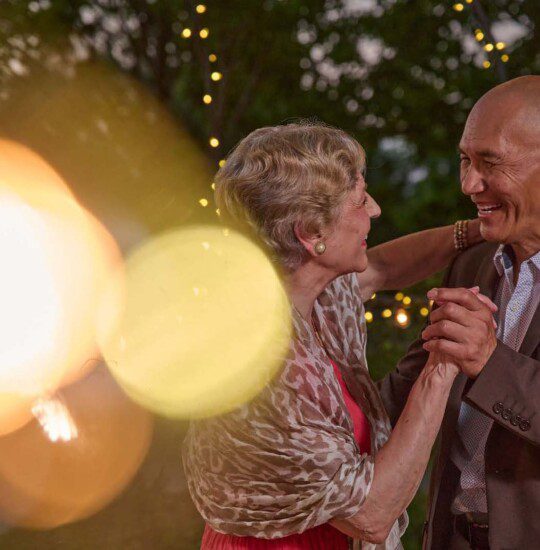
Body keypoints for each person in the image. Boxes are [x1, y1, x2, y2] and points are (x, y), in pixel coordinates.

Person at [182, 122, 486, 549]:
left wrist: (475, 231)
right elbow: (372, 514)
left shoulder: (309, 288)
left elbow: (383, 268)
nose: (376, 210)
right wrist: (444, 363)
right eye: (360, 200)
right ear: (310, 234)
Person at [379, 75, 540, 549]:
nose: (469, 183)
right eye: (464, 160)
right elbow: (396, 397)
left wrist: (490, 361)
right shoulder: (471, 263)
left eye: (490, 162)